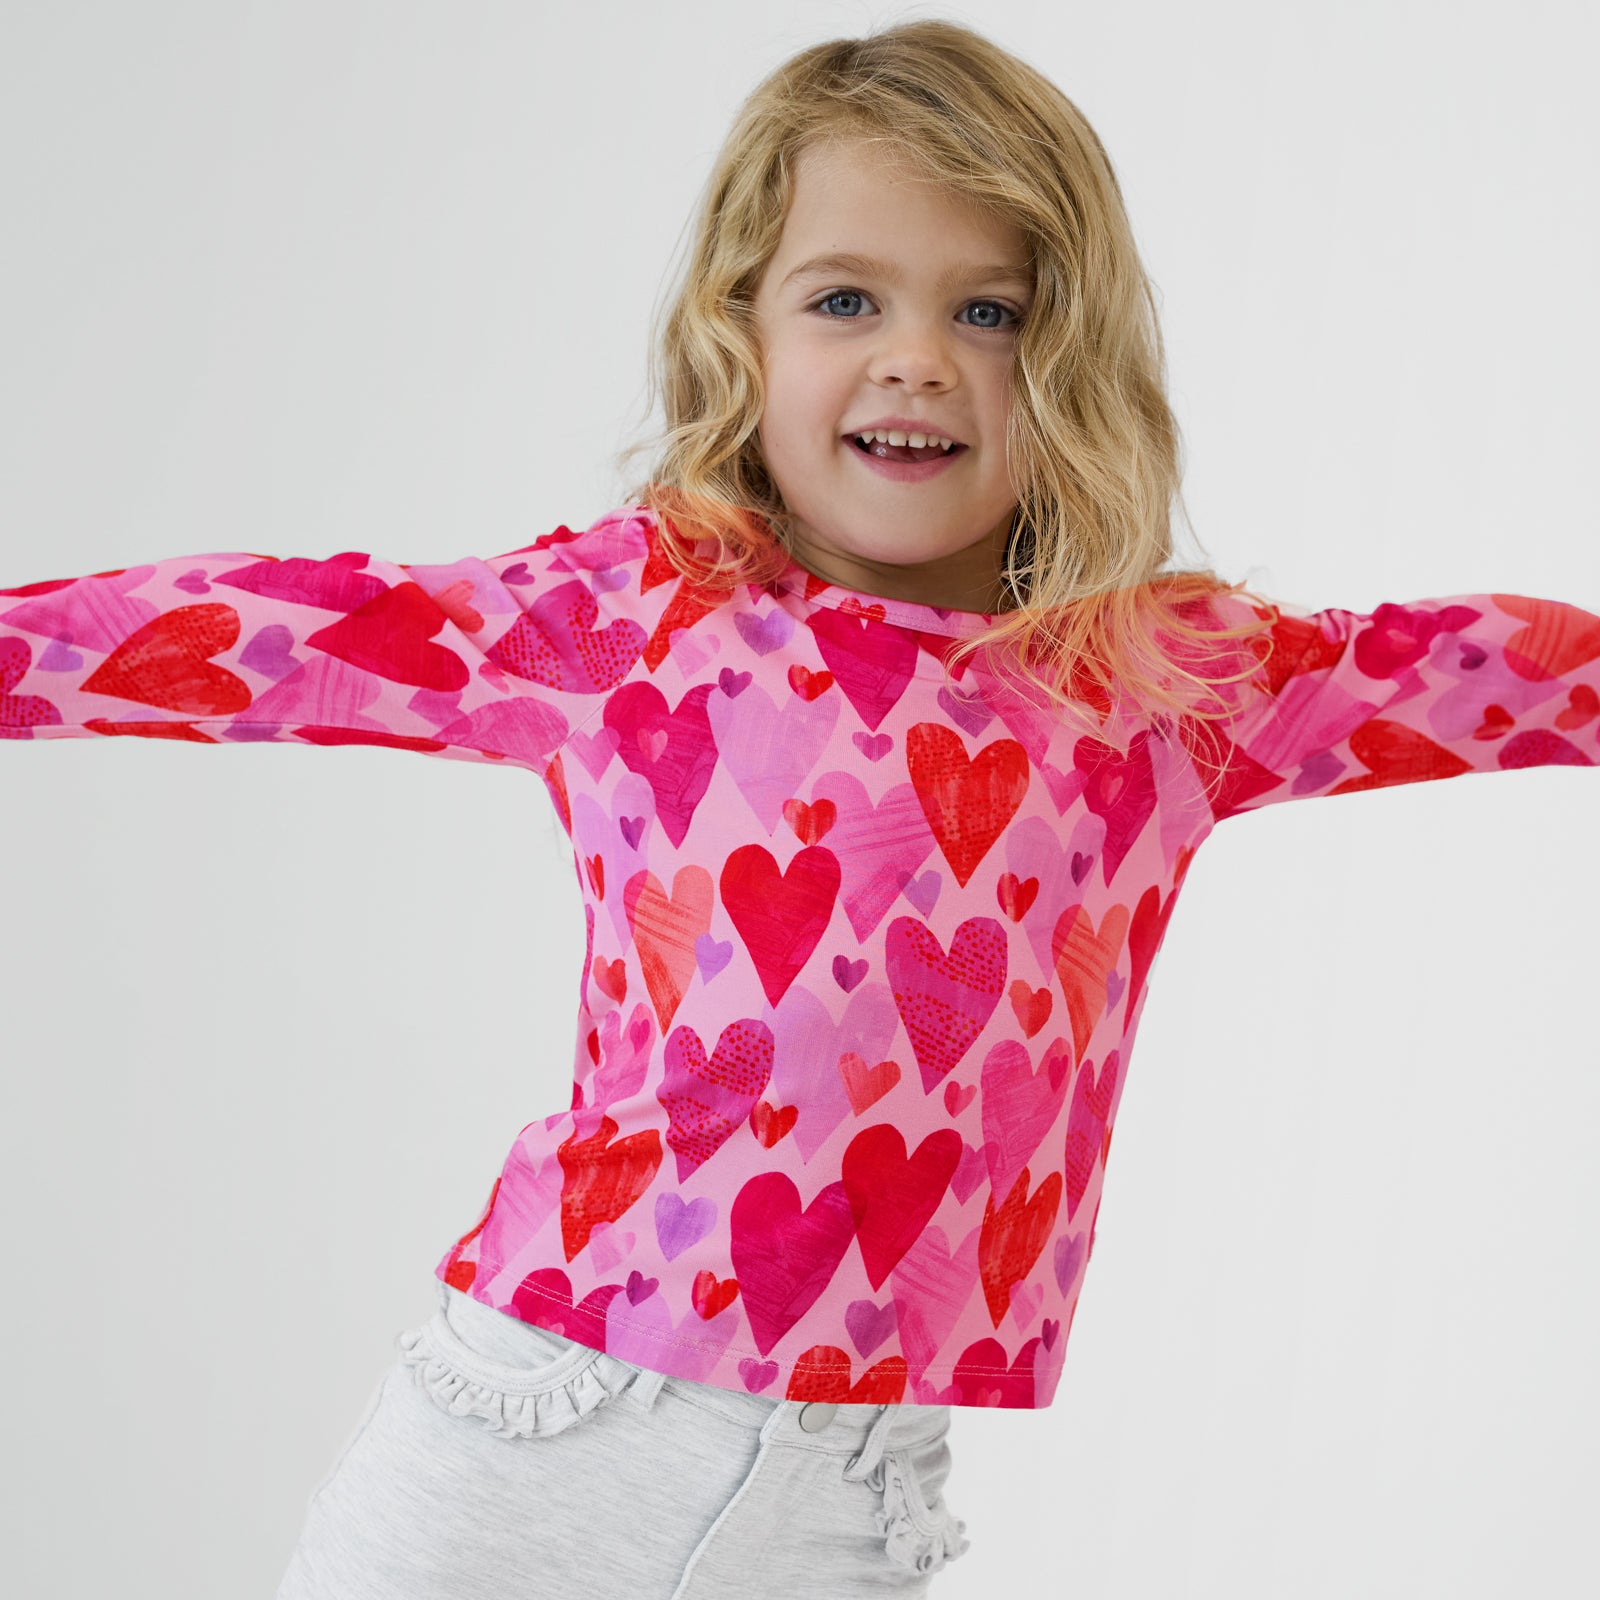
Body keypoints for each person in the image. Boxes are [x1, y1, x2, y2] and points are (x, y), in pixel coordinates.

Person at [3, 17, 1596, 1600]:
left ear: (1072, 358)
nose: (917, 356)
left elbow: (1481, 672)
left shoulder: (1159, 685)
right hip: (554, 1430)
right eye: (847, 300)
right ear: (740, 333)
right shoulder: (639, 617)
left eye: (990, 311)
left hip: (857, 1486)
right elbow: (275, 632)